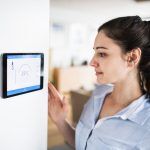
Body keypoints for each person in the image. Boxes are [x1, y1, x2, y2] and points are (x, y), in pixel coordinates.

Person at [48, 16, 150, 150]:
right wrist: (60, 120)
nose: (91, 62)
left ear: (132, 58)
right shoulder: (98, 94)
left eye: (102, 53)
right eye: (95, 52)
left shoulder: (146, 126)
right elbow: (83, 144)